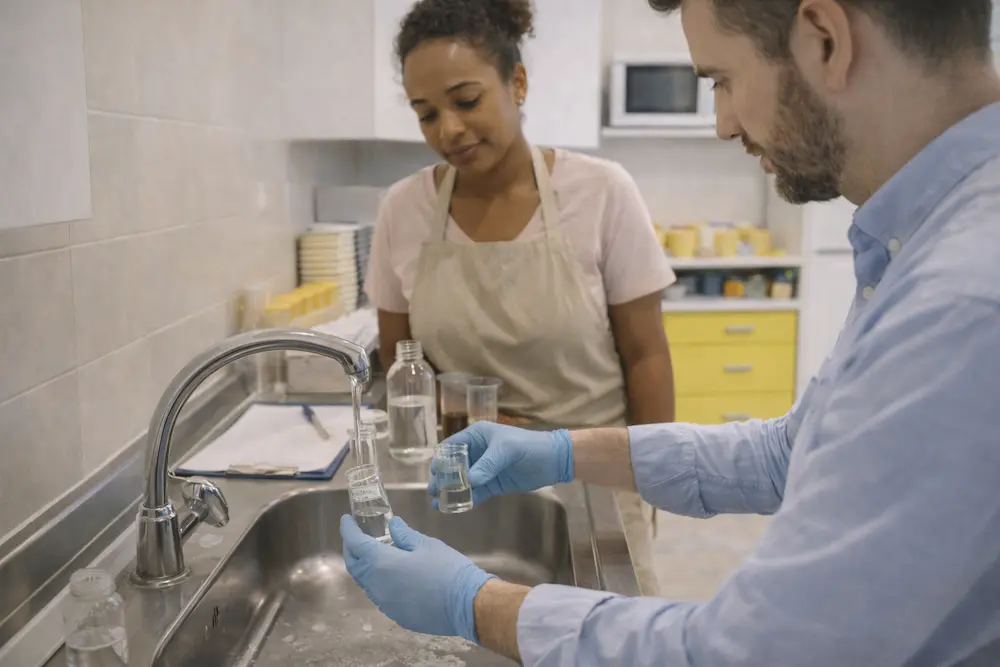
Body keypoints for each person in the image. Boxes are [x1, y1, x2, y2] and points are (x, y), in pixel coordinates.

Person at [340, 0, 1000, 664]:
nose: (722, 123)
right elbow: (785, 452)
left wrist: (472, 603)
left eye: (722, 80)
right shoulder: (926, 240)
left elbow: (750, 652)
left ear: (826, 39)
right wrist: (566, 452)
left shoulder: (962, 300)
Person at [362, 0, 677, 594]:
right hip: (466, 482)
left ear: (518, 82)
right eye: (426, 114)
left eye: (466, 100)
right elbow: (398, 362)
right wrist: (475, 421)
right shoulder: (403, 210)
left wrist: (655, 471)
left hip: (593, 477)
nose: (447, 130)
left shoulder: (602, 192)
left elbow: (646, 354)